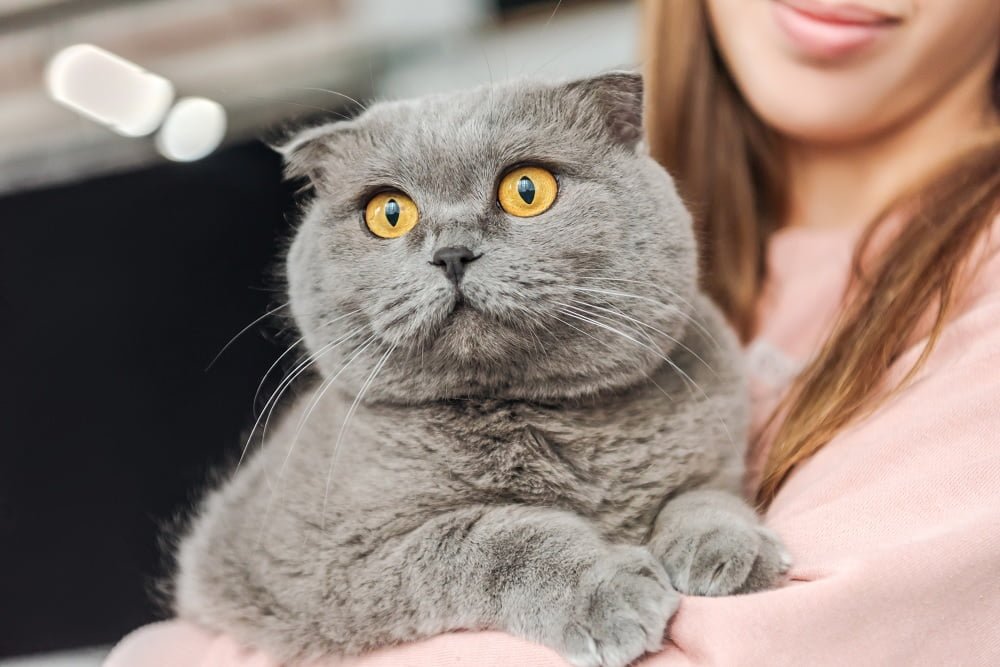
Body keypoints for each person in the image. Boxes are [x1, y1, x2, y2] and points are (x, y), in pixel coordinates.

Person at [106, 0, 1000, 664]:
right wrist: (506, 565)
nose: (449, 249)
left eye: (524, 191)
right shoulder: (358, 434)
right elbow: (267, 574)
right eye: (387, 214)